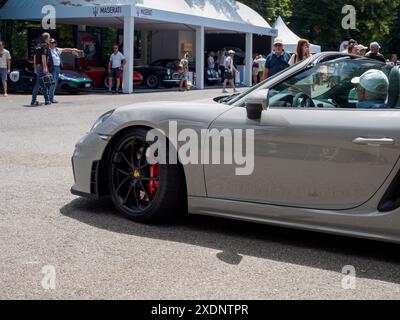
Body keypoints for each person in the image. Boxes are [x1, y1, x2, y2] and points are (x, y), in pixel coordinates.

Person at [48, 39, 82, 103]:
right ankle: (49, 98)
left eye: (54, 43)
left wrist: (73, 49)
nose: (53, 44)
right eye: (51, 43)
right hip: (52, 68)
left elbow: (65, 49)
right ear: (49, 43)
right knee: (52, 83)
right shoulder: (48, 50)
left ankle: (51, 98)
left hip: (57, 68)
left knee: (54, 83)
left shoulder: (56, 49)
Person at [31, 32, 52, 106]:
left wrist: (35, 68)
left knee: (44, 83)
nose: (50, 39)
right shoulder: (45, 46)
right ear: (47, 38)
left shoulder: (37, 46)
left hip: (37, 66)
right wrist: (45, 67)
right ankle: (33, 101)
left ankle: (47, 100)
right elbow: (43, 56)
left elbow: (34, 57)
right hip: (42, 66)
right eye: (49, 38)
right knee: (38, 83)